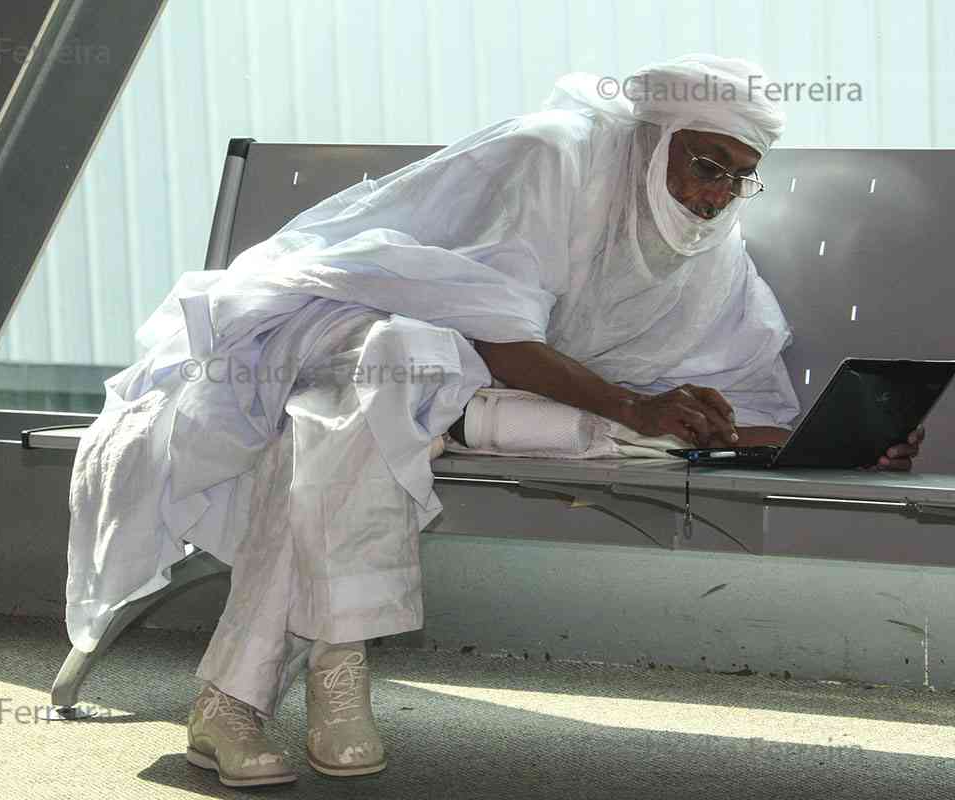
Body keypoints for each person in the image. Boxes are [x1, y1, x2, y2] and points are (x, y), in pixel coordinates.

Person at [64, 54, 924, 789]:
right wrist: (630, 407)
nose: (718, 196)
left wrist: (844, 442)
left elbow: (739, 396)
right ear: (655, 140)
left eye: (741, 176)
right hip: (337, 328)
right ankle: (338, 661)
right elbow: (496, 327)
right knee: (398, 360)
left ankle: (238, 699)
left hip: (442, 397)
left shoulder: (711, 251)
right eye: (707, 166)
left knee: (340, 427)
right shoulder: (553, 159)